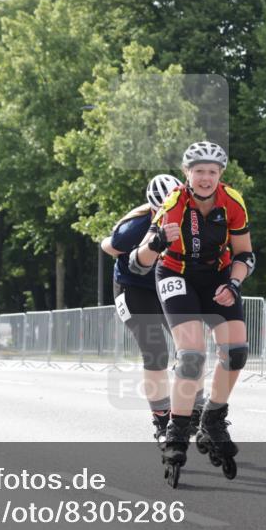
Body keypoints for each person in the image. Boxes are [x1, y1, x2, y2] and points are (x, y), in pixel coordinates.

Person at [129, 141, 255, 487]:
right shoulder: (173, 204)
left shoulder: (233, 202)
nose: (205, 178)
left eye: (212, 172)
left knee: (236, 353)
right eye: (198, 171)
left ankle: (213, 418)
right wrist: (154, 245)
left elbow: (245, 254)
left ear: (221, 175)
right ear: (187, 174)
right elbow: (136, 263)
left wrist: (233, 284)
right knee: (192, 357)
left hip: (217, 277)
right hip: (175, 274)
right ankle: (176, 431)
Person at [100, 174, 194, 446]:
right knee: (155, 351)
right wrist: (115, 247)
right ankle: (162, 419)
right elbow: (110, 245)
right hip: (133, 288)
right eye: (161, 211)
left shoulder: (192, 221)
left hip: (167, 284)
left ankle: (191, 409)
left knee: (190, 348)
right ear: (153, 209)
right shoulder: (134, 227)